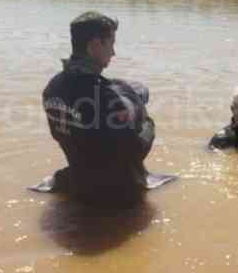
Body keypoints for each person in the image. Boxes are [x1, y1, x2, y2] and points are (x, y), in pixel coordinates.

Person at [42, 11, 156, 207]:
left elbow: (65, 134)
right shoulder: (104, 96)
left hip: (79, 180)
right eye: (111, 44)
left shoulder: (52, 88)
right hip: (117, 196)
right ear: (95, 45)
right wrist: (147, 121)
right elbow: (136, 149)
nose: (113, 52)